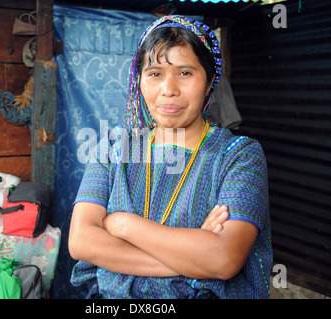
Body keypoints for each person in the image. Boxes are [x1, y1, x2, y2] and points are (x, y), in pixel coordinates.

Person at [68, 15, 272, 299]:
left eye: (185, 73)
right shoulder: (115, 147)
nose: (169, 89)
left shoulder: (238, 155)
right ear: (139, 80)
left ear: (210, 80)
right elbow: (81, 242)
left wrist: (121, 224)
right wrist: (192, 258)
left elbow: (224, 259)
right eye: (155, 74)